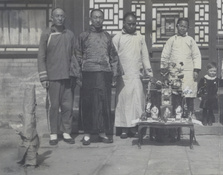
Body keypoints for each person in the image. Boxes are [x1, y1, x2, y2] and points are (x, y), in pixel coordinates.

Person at [75, 9, 123, 145]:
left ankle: (102, 133)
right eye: (95, 17)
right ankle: (87, 134)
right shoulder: (83, 36)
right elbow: (77, 56)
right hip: (88, 73)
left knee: (103, 103)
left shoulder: (107, 37)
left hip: (103, 73)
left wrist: (114, 74)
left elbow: (113, 57)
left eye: (100, 17)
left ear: (103, 19)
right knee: (87, 104)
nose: (97, 20)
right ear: (91, 19)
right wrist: (78, 75)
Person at [37, 7, 76, 145]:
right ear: (52, 18)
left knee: (68, 106)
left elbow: (73, 55)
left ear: (64, 18)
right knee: (54, 106)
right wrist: (44, 77)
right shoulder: (46, 34)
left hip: (67, 76)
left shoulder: (70, 34)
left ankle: (66, 132)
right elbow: (41, 56)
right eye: (57, 16)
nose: (60, 18)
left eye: (62, 16)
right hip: (52, 77)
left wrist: (75, 73)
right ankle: (53, 133)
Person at [160, 18, 202, 142]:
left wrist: (196, 70)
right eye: (181, 26)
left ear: (188, 28)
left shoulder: (191, 40)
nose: (183, 28)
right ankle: (176, 113)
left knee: (189, 93)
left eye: (185, 26)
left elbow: (196, 55)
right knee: (176, 94)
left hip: (188, 71)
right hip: (174, 72)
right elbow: (165, 54)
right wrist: (164, 69)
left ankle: (189, 112)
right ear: (177, 26)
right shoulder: (171, 40)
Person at [113, 12, 153, 139]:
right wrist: (115, 74)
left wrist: (149, 72)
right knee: (124, 102)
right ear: (124, 23)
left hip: (136, 75)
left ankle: (135, 128)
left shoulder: (140, 38)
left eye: (134, 24)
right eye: (129, 24)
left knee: (137, 102)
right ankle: (124, 129)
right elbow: (113, 58)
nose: (131, 26)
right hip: (123, 76)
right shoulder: (117, 37)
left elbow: (145, 56)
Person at [197, 62, 219, 126]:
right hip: (205, 97)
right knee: (205, 109)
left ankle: (210, 120)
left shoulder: (216, 79)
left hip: (213, 97)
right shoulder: (204, 79)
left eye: (214, 71)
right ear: (207, 71)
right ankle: (204, 119)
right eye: (211, 71)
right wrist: (199, 95)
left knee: (211, 109)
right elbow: (199, 87)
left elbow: (220, 86)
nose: (213, 73)